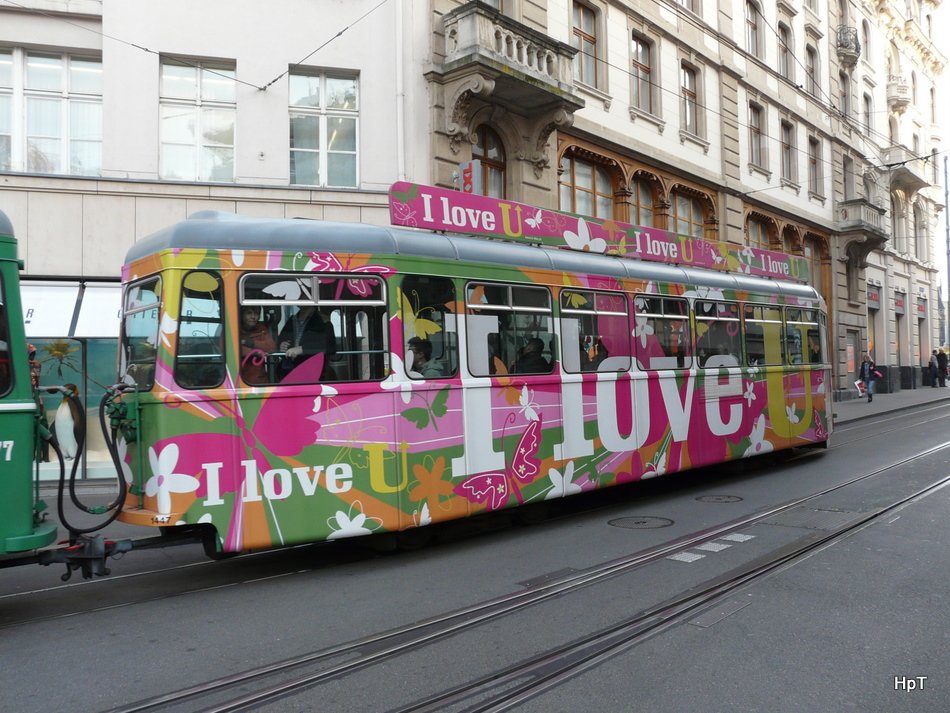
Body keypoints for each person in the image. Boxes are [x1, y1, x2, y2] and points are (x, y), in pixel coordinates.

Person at [277, 305, 336, 380]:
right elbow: (281, 340)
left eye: (302, 295)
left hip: (314, 372)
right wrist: (282, 345)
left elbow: (330, 346)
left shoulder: (323, 320)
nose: (298, 297)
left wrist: (302, 349)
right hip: (291, 371)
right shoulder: (292, 319)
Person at [239, 305, 277, 384]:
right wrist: (253, 352)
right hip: (236, 379)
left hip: (258, 379)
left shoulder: (261, 329)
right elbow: (226, 348)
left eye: (256, 313)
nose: (253, 317)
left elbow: (271, 347)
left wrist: (250, 343)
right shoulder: (233, 328)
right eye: (249, 313)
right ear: (242, 314)